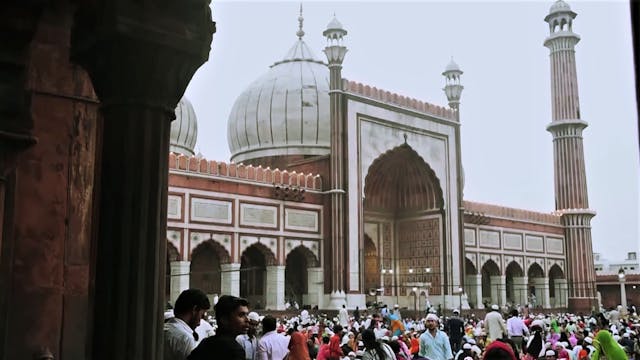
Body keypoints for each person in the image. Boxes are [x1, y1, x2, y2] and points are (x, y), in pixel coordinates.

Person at [187, 295, 249, 360]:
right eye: (241, 315)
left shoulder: (205, 343)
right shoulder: (235, 350)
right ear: (224, 319)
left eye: (247, 314)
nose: (247, 320)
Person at [164, 289, 211, 360]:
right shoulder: (186, 339)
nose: (199, 322)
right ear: (194, 310)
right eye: (202, 315)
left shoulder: (164, 330)